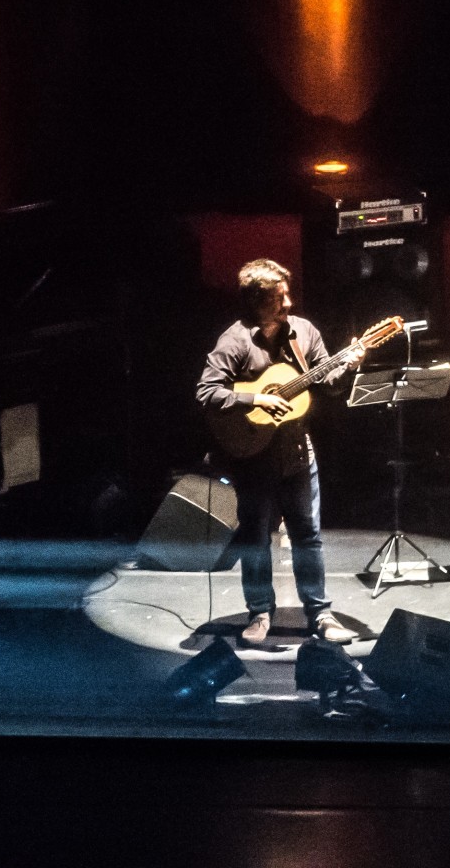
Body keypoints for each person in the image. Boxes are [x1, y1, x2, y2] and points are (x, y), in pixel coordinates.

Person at [195, 259, 364, 647]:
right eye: (279, 296)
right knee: (256, 537)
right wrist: (256, 397)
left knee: (308, 536)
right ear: (256, 301)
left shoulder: (304, 332)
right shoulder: (235, 341)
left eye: (287, 293)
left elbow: (329, 384)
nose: (288, 301)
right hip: (253, 453)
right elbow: (206, 392)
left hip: (297, 452)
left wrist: (350, 364)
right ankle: (259, 612)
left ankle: (320, 613)